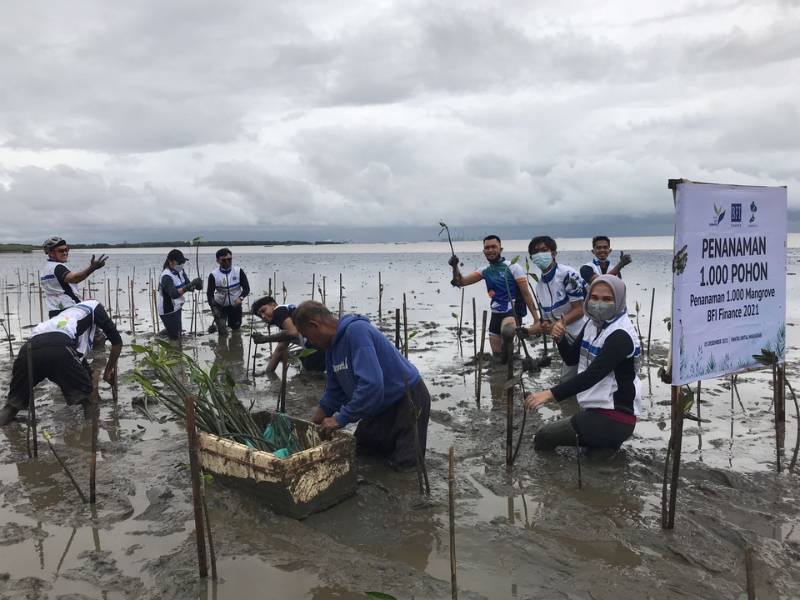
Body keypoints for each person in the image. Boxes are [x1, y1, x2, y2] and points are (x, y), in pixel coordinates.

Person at [292, 301, 430, 470]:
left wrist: (340, 419)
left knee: (406, 468)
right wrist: (312, 424)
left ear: (314, 326)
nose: (310, 342)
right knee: (361, 454)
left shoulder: (357, 331)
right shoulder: (331, 350)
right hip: (377, 406)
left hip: (406, 400)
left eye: (307, 336)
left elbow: (371, 385)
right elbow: (334, 393)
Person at [523, 275, 642, 451]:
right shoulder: (593, 324)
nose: (599, 303)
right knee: (594, 460)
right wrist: (560, 337)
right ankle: (606, 453)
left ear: (619, 301)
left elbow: (591, 376)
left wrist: (549, 394)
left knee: (544, 436)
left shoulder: (620, 335)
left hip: (614, 416)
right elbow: (571, 358)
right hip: (596, 410)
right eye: (594, 297)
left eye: (607, 299)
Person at [0, 300, 122, 425]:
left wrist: (88, 376)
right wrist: (107, 372)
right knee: (88, 399)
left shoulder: (67, 316)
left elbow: (77, 359)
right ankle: (90, 435)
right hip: (59, 347)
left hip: (28, 349)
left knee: (12, 406)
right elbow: (117, 342)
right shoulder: (95, 307)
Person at [449, 235, 538, 362]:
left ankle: (513, 366)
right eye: (487, 248)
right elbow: (460, 282)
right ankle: (506, 372)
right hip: (495, 315)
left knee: (507, 332)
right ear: (484, 251)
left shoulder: (513, 267)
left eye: (493, 247)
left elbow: (526, 294)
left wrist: (536, 319)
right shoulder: (484, 271)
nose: (490, 250)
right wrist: (454, 266)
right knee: (498, 358)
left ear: (500, 249)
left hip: (511, 313)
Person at [522, 235, 586, 381]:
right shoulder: (539, 287)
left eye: (544, 250)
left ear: (554, 253)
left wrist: (558, 324)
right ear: (532, 258)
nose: (540, 254)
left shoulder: (567, 275)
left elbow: (579, 310)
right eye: (535, 252)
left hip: (585, 335)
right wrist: (527, 331)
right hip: (564, 340)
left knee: (588, 379)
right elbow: (545, 323)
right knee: (566, 382)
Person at [250, 296, 326, 373]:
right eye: (260, 316)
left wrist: (264, 339)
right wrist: (268, 373)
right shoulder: (287, 313)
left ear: (273, 305)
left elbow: (293, 333)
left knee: (309, 374)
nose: (263, 316)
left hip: (317, 346)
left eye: (263, 310)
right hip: (323, 345)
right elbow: (280, 349)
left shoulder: (278, 311)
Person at [40, 236, 108, 318]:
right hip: (70, 310)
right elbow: (75, 278)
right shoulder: (58, 267)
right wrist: (92, 268)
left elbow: (59, 290)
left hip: (54, 312)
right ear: (51, 253)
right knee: (98, 310)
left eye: (66, 250)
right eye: (61, 251)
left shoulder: (45, 269)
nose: (65, 253)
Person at [157, 249, 202, 340]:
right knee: (175, 336)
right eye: (180, 262)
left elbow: (188, 285)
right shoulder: (166, 276)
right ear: (171, 262)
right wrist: (190, 285)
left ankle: (166, 335)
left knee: (177, 331)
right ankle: (162, 338)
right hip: (167, 309)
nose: (182, 264)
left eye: (183, 262)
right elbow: (174, 294)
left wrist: (196, 285)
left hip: (177, 306)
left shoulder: (181, 271)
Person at [206, 248, 251, 336]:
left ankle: (235, 346)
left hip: (235, 304)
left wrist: (240, 298)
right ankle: (222, 346)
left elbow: (246, 288)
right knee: (222, 330)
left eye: (229, 259)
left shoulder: (238, 271)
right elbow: (209, 294)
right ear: (218, 261)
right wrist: (213, 308)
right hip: (220, 305)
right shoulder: (213, 275)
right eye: (223, 260)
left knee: (236, 327)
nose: (227, 262)